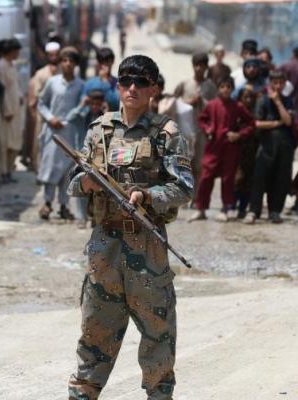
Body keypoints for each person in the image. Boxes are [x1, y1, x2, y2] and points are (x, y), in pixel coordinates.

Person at [68, 55, 193, 400]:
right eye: (125, 81)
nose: (132, 88)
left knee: (157, 337)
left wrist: (147, 195)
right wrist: (88, 184)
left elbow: (183, 187)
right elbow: (73, 182)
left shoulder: (166, 133)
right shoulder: (99, 130)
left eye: (140, 82)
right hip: (104, 246)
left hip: (146, 246)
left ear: (154, 88)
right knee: (94, 333)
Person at [190, 77, 255, 222]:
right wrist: (208, 129)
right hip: (213, 147)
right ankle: (201, 209)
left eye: (228, 87)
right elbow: (202, 119)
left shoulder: (237, 106)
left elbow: (251, 123)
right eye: (223, 86)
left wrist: (239, 134)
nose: (225, 89)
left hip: (230, 148)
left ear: (232, 89)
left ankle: (226, 208)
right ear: (218, 89)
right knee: (206, 177)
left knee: (228, 179)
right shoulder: (212, 105)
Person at [36, 46, 84, 221]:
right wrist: (50, 118)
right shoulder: (53, 82)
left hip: (71, 134)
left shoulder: (80, 85)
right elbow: (41, 103)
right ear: (60, 63)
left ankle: (64, 205)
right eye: (64, 60)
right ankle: (47, 203)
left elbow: (82, 109)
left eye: (71, 61)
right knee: (49, 168)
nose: (68, 64)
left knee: (66, 171)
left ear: (76, 64)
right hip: (53, 132)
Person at [244, 70, 296, 224]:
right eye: (275, 82)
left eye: (281, 82)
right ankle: (254, 211)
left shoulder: (288, 101)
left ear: (285, 83)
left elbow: (288, 121)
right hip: (266, 145)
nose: (278, 85)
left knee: (281, 179)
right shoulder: (263, 100)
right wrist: (275, 123)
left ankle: (275, 211)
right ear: (270, 83)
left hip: (285, 146)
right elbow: (257, 123)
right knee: (260, 178)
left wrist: (278, 102)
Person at [175, 53, 217, 196]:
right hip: (185, 129)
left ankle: (196, 195)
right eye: (196, 65)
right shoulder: (185, 84)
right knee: (185, 163)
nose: (199, 68)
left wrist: (201, 102)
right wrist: (188, 103)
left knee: (199, 164)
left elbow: (215, 107)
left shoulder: (210, 87)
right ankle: (184, 193)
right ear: (192, 66)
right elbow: (173, 102)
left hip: (202, 131)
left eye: (202, 65)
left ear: (206, 67)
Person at [66, 89, 107, 228]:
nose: (94, 106)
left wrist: (107, 112)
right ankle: (81, 217)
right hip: (82, 157)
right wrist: (81, 105)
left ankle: (95, 216)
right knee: (81, 185)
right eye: (92, 103)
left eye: (97, 104)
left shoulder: (105, 117)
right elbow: (69, 118)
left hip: (100, 158)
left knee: (98, 188)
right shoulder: (82, 115)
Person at [0, 38, 24, 183]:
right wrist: (7, 110)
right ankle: (3, 172)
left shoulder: (11, 66)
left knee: (14, 142)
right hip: (7, 112)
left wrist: (19, 96)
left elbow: (14, 86)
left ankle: (9, 171)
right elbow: (2, 90)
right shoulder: (0, 67)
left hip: (15, 109)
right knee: (4, 143)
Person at [27, 41, 61, 171]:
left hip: (59, 113)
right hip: (43, 114)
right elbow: (36, 97)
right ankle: (39, 169)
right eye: (51, 55)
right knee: (40, 140)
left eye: (55, 55)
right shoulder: (40, 74)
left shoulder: (63, 72)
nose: (53, 57)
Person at [152, 74, 196, 151]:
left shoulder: (169, 102)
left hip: (167, 136)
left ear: (161, 88)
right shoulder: (147, 100)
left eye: (156, 87)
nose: (154, 90)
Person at [234, 86, 259, 218]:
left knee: (247, 182)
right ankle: (231, 206)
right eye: (245, 97)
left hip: (250, 154)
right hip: (236, 152)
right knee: (235, 180)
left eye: (250, 97)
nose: (248, 100)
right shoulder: (235, 114)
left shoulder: (255, 114)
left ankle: (242, 208)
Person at [82, 47, 120, 112]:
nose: (104, 65)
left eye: (107, 62)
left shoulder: (118, 83)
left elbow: (115, 103)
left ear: (112, 61)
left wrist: (105, 81)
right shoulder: (90, 83)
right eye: (101, 62)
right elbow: (83, 105)